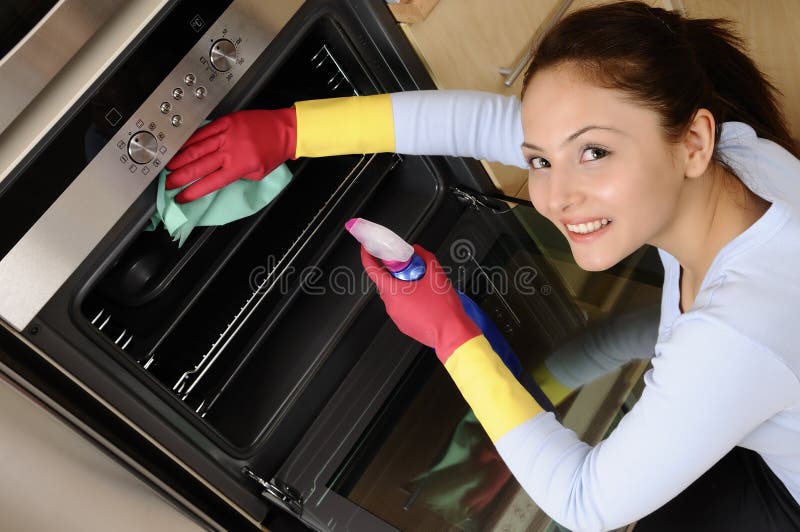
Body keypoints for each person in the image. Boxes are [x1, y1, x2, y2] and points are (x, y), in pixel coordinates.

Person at [165, 2, 800, 530]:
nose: (554, 195)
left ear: (693, 141)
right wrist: (288, 131)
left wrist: (449, 330)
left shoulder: (738, 327)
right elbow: (481, 123)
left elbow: (586, 501)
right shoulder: (740, 160)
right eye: (541, 161)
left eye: (595, 153)